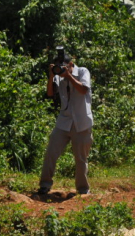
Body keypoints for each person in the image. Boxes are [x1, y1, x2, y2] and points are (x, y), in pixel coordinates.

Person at [38, 49, 94, 196]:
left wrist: (68, 76)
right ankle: (45, 185)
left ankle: (83, 190)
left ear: (70, 64)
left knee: (81, 158)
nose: (60, 69)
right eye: (58, 67)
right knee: (51, 152)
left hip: (81, 122)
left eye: (63, 66)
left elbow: (83, 90)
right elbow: (50, 94)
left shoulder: (82, 71)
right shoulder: (58, 76)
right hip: (64, 121)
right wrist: (51, 75)